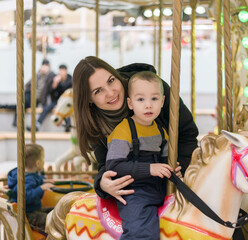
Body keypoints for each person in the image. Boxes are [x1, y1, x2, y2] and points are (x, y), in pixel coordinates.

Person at [72, 56, 198, 205]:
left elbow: (187, 133)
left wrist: (181, 167)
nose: (111, 93)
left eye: (111, 80)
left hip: (173, 177)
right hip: (139, 190)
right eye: (98, 91)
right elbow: (106, 164)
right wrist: (102, 183)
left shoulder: (150, 89)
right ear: (89, 99)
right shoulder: (95, 122)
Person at [106, 71, 172, 239]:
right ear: (130, 103)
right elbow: (114, 166)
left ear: (162, 101)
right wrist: (150, 168)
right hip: (134, 193)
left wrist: (172, 171)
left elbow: (164, 162)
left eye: (154, 99)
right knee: (142, 233)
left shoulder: (161, 131)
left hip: (159, 189)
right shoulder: (124, 130)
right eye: (141, 99)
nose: (148, 105)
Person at [7, 143, 55, 232]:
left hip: (34, 209)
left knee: (56, 211)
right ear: (37, 163)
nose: (44, 161)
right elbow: (26, 196)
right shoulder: (27, 178)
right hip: (27, 215)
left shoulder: (26, 174)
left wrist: (43, 181)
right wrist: (41, 188)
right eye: (43, 159)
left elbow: (35, 179)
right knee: (54, 219)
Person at [0, 59, 55, 127]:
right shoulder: (38, 75)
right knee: (22, 104)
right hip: (30, 96)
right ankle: (9, 112)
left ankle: (4, 106)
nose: (44, 68)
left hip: (38, 99)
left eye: (45, 66)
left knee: (21, 105)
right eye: (43, 66)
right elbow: (27, 85)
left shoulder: (51, 76)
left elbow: (50, 89)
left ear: (48, 67)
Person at [26, 64, 72, 131]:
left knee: (68, 109)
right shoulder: (55, 79)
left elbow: (71, 92)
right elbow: (51, 92)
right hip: (56, 101)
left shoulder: (70, 80)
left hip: (66, 101)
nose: (61, 73)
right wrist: (55, 83)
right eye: (60, 71)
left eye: (62, 71)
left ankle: (68, 126)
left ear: (65, 71)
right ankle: (37, 125)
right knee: (45, 109)